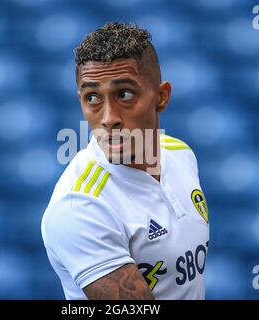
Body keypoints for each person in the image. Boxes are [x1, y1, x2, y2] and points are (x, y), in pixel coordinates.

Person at [41, 22, 209, 300]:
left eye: (124, 94)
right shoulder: (80, 205)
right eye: (92, 97)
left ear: (161, 97)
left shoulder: (180, 154)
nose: (109, 118)